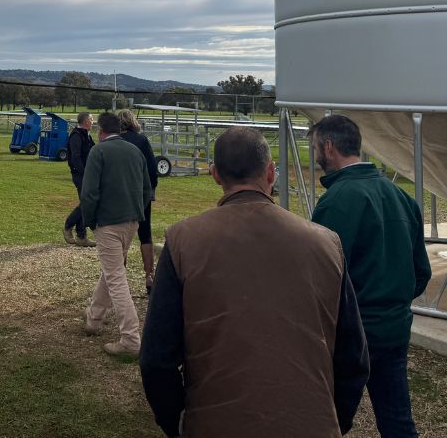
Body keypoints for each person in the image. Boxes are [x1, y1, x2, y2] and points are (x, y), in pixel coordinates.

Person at [140, 125, 369, 438]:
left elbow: (156, 359)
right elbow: (353, 357)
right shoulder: (326, 243)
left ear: (215, 175)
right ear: (271, 172)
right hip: (310, 424)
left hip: (214, 424)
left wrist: (177, 422)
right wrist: (332, 421)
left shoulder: (183, 241)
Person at [310, 115, 431, 438]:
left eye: (316, 148)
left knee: (328, 419)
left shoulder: (335, 202)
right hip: (394, 329)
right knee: (397, 420)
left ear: (329, 147)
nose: (316, 156)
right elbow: (421, 272)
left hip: (352, 335)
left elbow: (322, 278)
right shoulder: (402, 198)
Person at [81, 111, 152, 358]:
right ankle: (94, 318)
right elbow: (147, 189)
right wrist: (135, 211)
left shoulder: (98, 152)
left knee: (116, 279)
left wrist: (89, 221)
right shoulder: (135, 151)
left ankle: (131, 339)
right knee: (112, 271)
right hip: (131, 222)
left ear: (101, 131)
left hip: (107, 223)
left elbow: (89, 193)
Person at [118, 109, 159, 293]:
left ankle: (119, 276)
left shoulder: (114, 141)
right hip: (141, 193)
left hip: (120, 194)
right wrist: (150, 189)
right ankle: (149, 275)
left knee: (121, 235)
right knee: (145, 233)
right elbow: (152, 168)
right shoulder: (142, 140)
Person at [63, 112, 95, 247]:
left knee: (87, 203)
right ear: (86, 121)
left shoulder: (87, 135)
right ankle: (68, 225)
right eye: (91, 119)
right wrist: (85, 173)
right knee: (87, 202)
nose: (93, 121)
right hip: (81, 175)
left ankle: (81, 237)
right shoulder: (76, 135)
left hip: (88, 174)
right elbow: (75, 157)